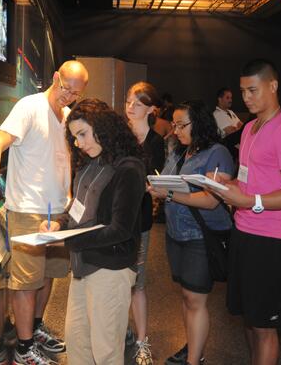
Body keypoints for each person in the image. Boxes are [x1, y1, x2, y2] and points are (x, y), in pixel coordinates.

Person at [0, 60, 89, 365]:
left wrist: (70, 199)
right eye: (65, 87)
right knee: (25, 283)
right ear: (55, 77)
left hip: (58, 212)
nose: (68, 95)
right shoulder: (29, 107)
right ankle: (23, 348)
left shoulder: (68, 117)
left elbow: (63, 160)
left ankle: (33, 329)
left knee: (48, 277)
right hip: (27, 212)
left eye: (75, 92)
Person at [207, 59, 281, 365]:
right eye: (242, 91)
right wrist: (230, 182)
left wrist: (251, 200)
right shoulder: (251, 127)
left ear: (273, 86)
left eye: (253, 90)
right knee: (250, 319)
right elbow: (256, 178)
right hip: (243, 233)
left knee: (265, 325)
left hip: (272, 240)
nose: (246, 97)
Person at [40, 98, 146, 365]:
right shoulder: (87, 165)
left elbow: (120, 230)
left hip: (110, 269)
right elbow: (75, 209)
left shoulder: (129, 168)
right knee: (77, 346)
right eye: (75, 137)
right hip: (83, 265)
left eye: (83, 134)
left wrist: (70, 240)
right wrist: (59, 225)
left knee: (106, 351)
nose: (79, 143)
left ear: (103, 127)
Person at [149, 100, 234, 365]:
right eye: (173, 124)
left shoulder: (216, 153)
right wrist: (156, 188)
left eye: (182, 125)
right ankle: (194, 349)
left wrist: (170, 194)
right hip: (176, 234)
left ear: (199, 123)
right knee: (187, 297)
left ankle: (194, 360)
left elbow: (211, 200)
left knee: (196, 300)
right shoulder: (178, 152)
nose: (175, 130)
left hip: (201, 235)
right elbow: (165, 180)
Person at [124, 82, 165, 365]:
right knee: (114, 281)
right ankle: (122, 331)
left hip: (138, 220)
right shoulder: (117, 134)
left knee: (137, 282)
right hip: (113, 219)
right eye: (128, 100)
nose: (130, 106)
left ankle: (141, 341)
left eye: (137, 103)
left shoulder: (155, 142)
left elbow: (156, 179)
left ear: (151, 109)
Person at [213, 87, 243, 159]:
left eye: (231, 98)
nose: (230, 100)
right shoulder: (217, 114)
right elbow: (231, 132)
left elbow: (242, 126)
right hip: (227, 146)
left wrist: (236, 128)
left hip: (238, 142)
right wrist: (237, 127)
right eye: (227, 98)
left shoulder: (230, 112)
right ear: (220, 99)